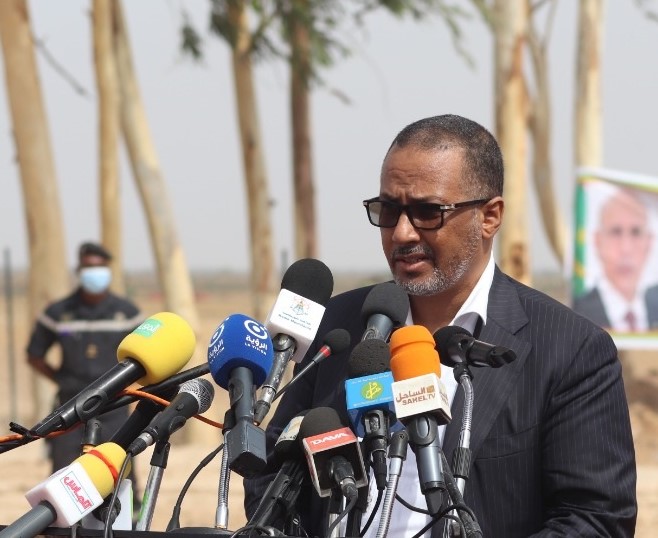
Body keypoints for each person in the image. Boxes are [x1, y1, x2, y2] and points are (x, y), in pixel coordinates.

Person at [243, 114, 637, 537]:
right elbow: (272, 480)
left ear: (490, 216)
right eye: (389, 210)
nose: (402, 233)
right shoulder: (337, 328)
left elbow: (595, 519)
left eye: (428, 212)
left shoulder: (571, 349)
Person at [26, 242, 143, 474]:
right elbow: (34, 355)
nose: (95, 273)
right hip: (70, 409)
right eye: (89, 267)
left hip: (115, 407)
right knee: (63, 476)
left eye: (100, 267)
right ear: (79, 270)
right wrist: (63, 380)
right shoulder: (58, 313)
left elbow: (145, 356)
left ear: (109, 270)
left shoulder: (128, 313)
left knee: (120, 474)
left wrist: (125, 384)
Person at [573, 185, 658, 332]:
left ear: (649, 242)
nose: (626, 248)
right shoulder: (576, 316)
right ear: (598, 242)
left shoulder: (655, 305)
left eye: (636, 232)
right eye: (615, 232)